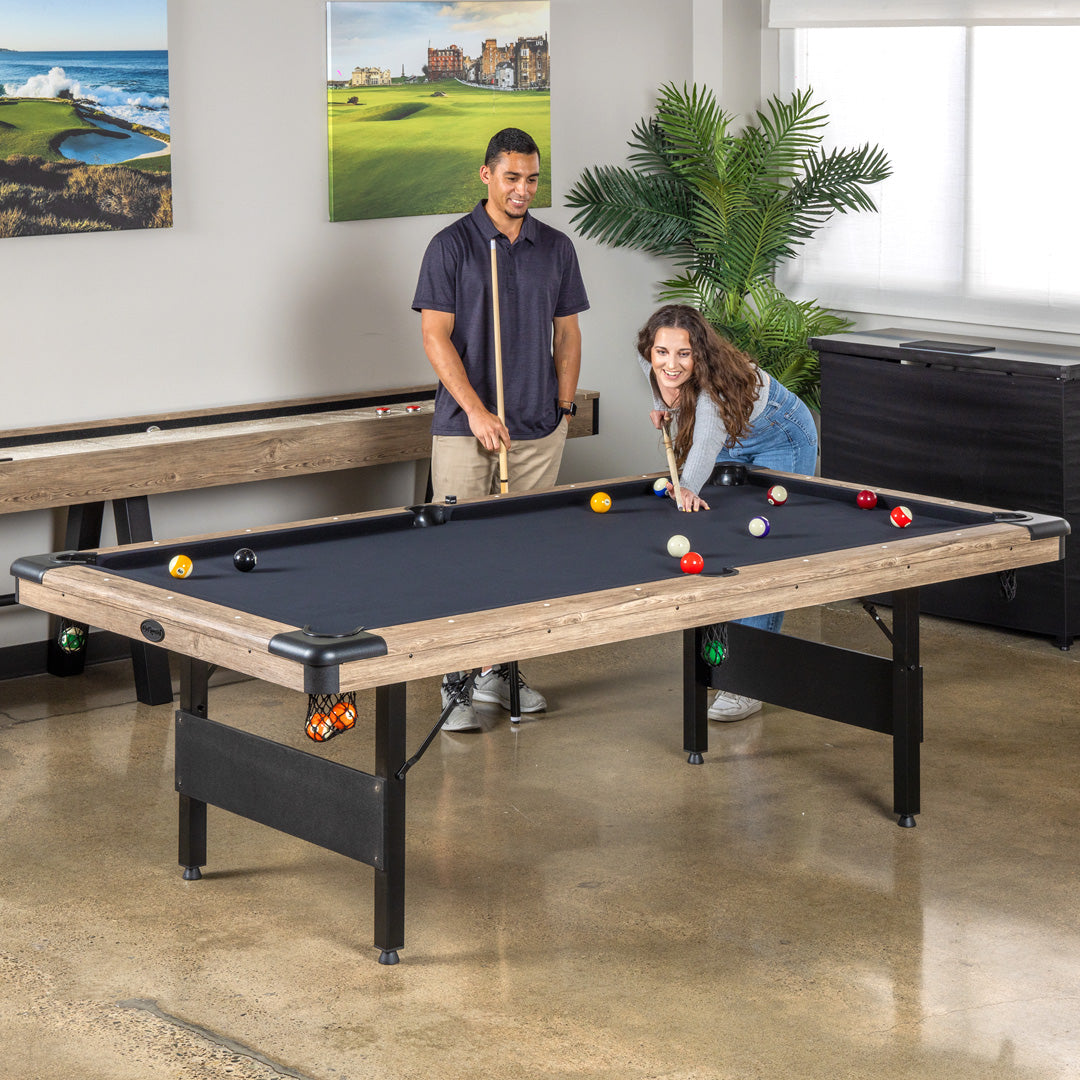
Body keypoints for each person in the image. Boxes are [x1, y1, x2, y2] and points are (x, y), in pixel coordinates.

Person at [412, 127, 590, 732]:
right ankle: (456, 680)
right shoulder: (452, 246)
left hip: (539, 425)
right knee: (460, 553)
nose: (523, 189)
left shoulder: (555, 247)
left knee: (521, 557)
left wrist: (563, 406)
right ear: (485, 175)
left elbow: (567, 333)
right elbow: (435, 337)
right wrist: (479, 412)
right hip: (466, 428)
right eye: (512, 177)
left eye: (532, 178)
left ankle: (501, 671)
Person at [636, 304, 818, 721]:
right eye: (662, 352)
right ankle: (723, 650)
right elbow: (663, 382)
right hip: (735, 436)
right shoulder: (659, 361)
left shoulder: (715, 393)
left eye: (684, 354)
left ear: (701, 353)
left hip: (782, 435)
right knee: (728, 539)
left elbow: (704, 444)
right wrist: (662, 406)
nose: (671, 363)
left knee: (766, 554)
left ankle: (747, 681)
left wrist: (685, 488)